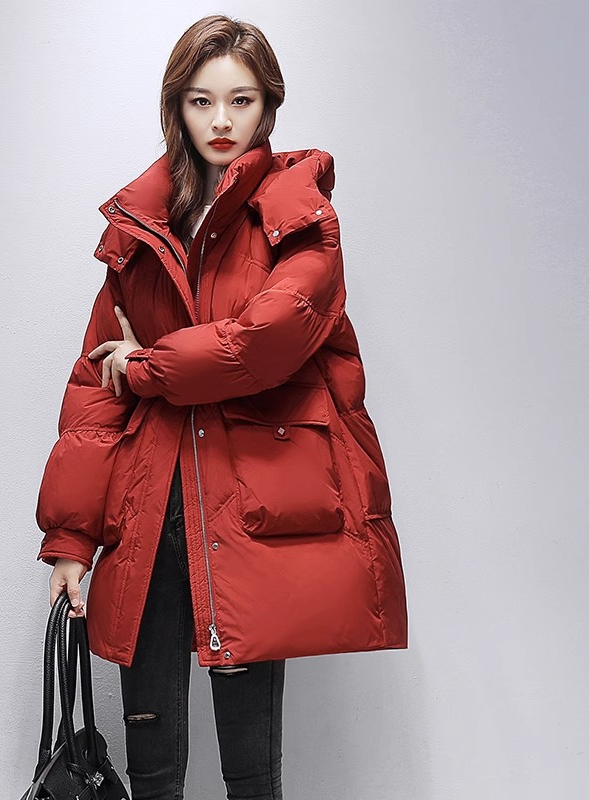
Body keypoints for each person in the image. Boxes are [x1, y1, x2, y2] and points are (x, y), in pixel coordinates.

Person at [34, 14, 408, 800]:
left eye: (241, 100)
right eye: (202, 101)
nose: (222, 120)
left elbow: (262, 343)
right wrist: (70, 539)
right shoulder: (141, 232)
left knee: (252, 773)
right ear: (177, 107)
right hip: (149, 514)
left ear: (269, 106)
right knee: (152, 772)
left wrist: (146, 364)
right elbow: (94, 391)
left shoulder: (300, 221)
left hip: (250, 517)